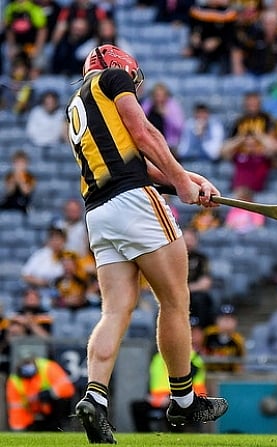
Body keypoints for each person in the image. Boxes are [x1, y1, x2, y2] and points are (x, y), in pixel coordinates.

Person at [65, 45, 228, 444]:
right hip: (132, 202)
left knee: (115, 310)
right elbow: (144, 133)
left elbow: (131, 160)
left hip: (98, 214)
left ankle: (95, 399)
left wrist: (186, 179)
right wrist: (184, 183)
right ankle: (184, 398)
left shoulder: (76, 102)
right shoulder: (111, 79)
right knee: (174, 300)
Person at [6, 353, 75, 432]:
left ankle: (60, 427)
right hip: (32, 412)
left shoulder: (48, 367)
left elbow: (68, 389)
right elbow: (16, 409)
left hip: (52, 408)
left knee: (61, 402)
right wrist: (18, 431)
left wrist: (46, 394)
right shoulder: (14, 381)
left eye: (29, 363)